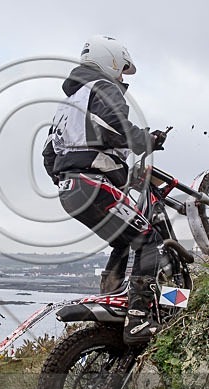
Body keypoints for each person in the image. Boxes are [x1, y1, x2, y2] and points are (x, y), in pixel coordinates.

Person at [43, 35, 168, 346]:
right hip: (92, 186)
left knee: (123, 242)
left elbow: (49, 154)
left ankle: (111, 302)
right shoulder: (103, 88)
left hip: (70, 191)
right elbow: (114, 127)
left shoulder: (67, 104)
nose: (123, 77)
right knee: (149, 239)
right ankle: (139, 319)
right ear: (110, 61)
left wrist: (74, 175)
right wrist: (146, 140)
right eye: (122, 69)